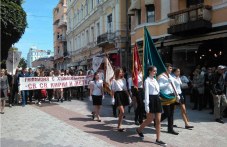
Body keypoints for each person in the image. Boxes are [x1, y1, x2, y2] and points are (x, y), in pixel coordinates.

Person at [136, 66, 167, 146]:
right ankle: (139, 129)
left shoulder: (155, 80)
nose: (155, 72)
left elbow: (158, 90)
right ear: (149, 71)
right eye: (154, 71)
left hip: (157, 99)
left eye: (156, 71)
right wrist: (146, 105)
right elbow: (146, 94)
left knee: (158, 121)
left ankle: (158, 139)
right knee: (149, 119)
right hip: (150, 100)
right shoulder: (147, 81)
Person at [158, 63, 178, 135]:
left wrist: (177, 94)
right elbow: (160, 87)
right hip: (165, 97)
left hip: (172, 95)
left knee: (171, 113)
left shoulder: (170, 76)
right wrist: (168, 82)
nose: (171, 69)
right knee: (167, 113)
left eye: (171, 68)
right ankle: (157, 121)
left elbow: (174, 85)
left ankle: (170, 129)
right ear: (165, 68)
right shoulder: (161, 77)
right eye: (170, 68)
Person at [111, 68, 131, 132]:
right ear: (117, 73)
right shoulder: (114, 80)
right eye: (120, 72)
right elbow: (113, 90)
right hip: (118, 94)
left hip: (123, 94)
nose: (121, 73)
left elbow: (125, 89)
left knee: (122, 112)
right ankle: (119, 125)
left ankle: (119, 125)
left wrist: (129, 96)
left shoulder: (124, 79)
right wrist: (112, 98)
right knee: (122, 111)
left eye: (122, 72)